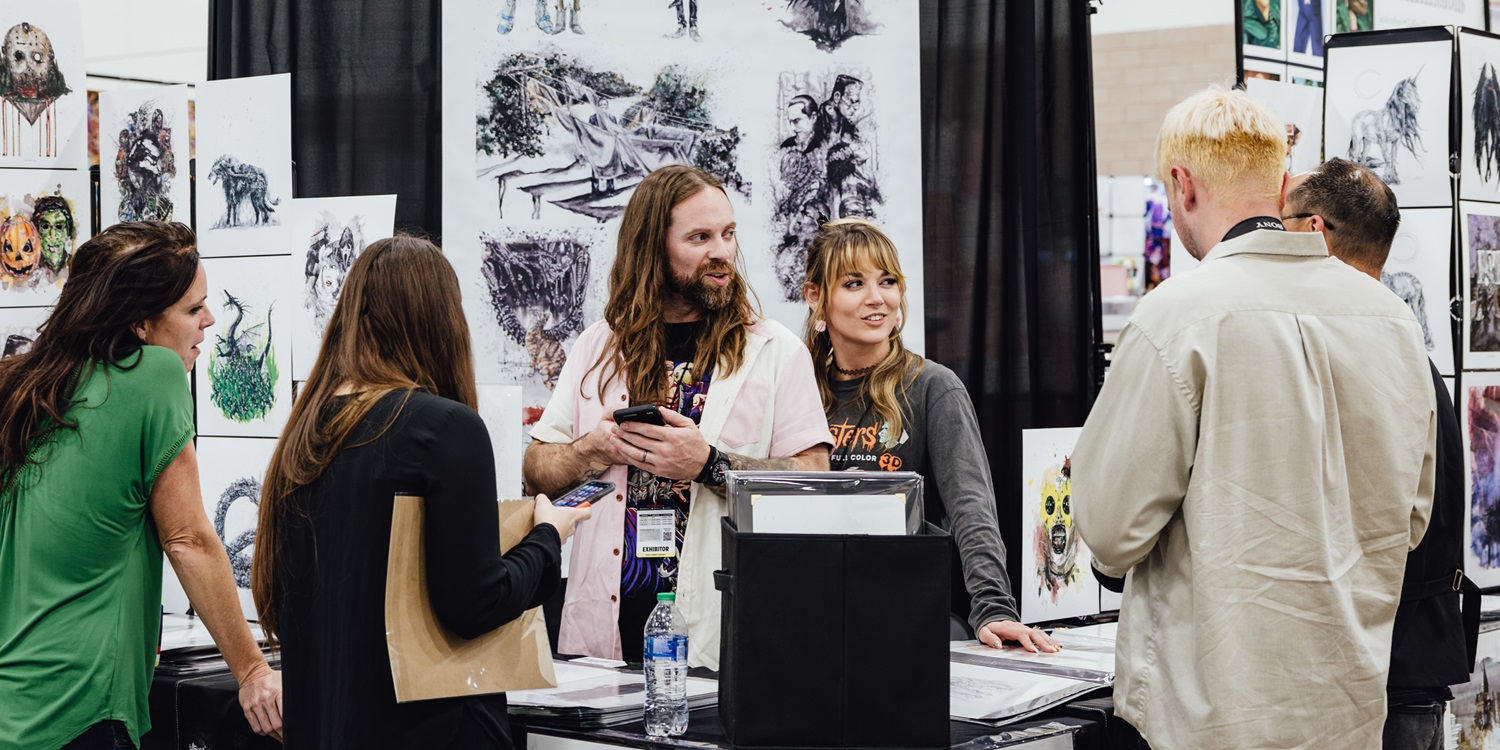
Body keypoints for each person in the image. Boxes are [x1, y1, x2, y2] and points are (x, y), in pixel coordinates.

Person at [1072, 88, 1437, 750]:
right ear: (1282, 180)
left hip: (1206, 722)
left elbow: (1109, 531)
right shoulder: (1394, 322)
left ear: (1182, 185)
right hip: (1347, 718)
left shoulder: (1178, 316)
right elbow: (1411, 523)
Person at [251, 236, 589, 748]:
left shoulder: (307, 429)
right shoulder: (446, 427)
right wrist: (546, 538)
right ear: (441, 320)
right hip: (429, 728)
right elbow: (475, 604)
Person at [523, 164, 833, 670]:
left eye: (728, 234)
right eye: (700, 237)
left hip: (722, 637)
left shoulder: (775, 350)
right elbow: (537, 469)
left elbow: (815, 481)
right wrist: (592, 448)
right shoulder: (599, 345)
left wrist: (709, 464)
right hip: (604, 641)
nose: (722, 251)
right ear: (654, 247)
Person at [0, 221, 282, 749]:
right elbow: (188, 539)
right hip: (80, 709)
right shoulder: (153, 374)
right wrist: (252, 673)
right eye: (193, 309)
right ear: (141, 325)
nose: (210, 320)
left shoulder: (23, 388)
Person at [1283, 158, 1476, 750]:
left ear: (1313, 230)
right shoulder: (1403, 350)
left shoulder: (1347, 352)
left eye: (1280, 222)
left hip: (1379, 674)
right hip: (1407, 664)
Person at [800, 218, 1060, 654]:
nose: (876, 299)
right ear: (815, 297)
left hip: (905, 620)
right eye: (853, 283)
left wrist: (994, 608)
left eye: (887, 281)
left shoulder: (931, 387)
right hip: (811, 618)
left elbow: (971, 508)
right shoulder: (797, 388)